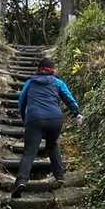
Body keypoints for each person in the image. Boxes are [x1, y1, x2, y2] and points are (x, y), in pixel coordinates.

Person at [11, 57, 82, 198]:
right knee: (52, 145)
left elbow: (21, 102)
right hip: (55, 119)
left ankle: (21, 182)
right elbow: (68, 98)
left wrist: (26, 119)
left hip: (35, 119)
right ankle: (59, 176)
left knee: (29, 152)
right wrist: (77, 113)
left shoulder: (30, 83)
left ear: (39, 69)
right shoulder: (58, 83)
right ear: (53, 70)